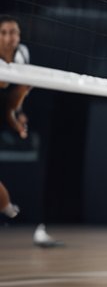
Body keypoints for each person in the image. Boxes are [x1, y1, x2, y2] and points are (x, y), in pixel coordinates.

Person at [0, 16, 59, 247]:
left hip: (7, 107)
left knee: (42, 163)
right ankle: (10, 212)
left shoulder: (22, 54)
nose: (8, 37)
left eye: (12, 32)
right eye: (3, 32)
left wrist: (15, 115)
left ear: (19, 35)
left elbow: (20, 89)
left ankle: (31, 223)